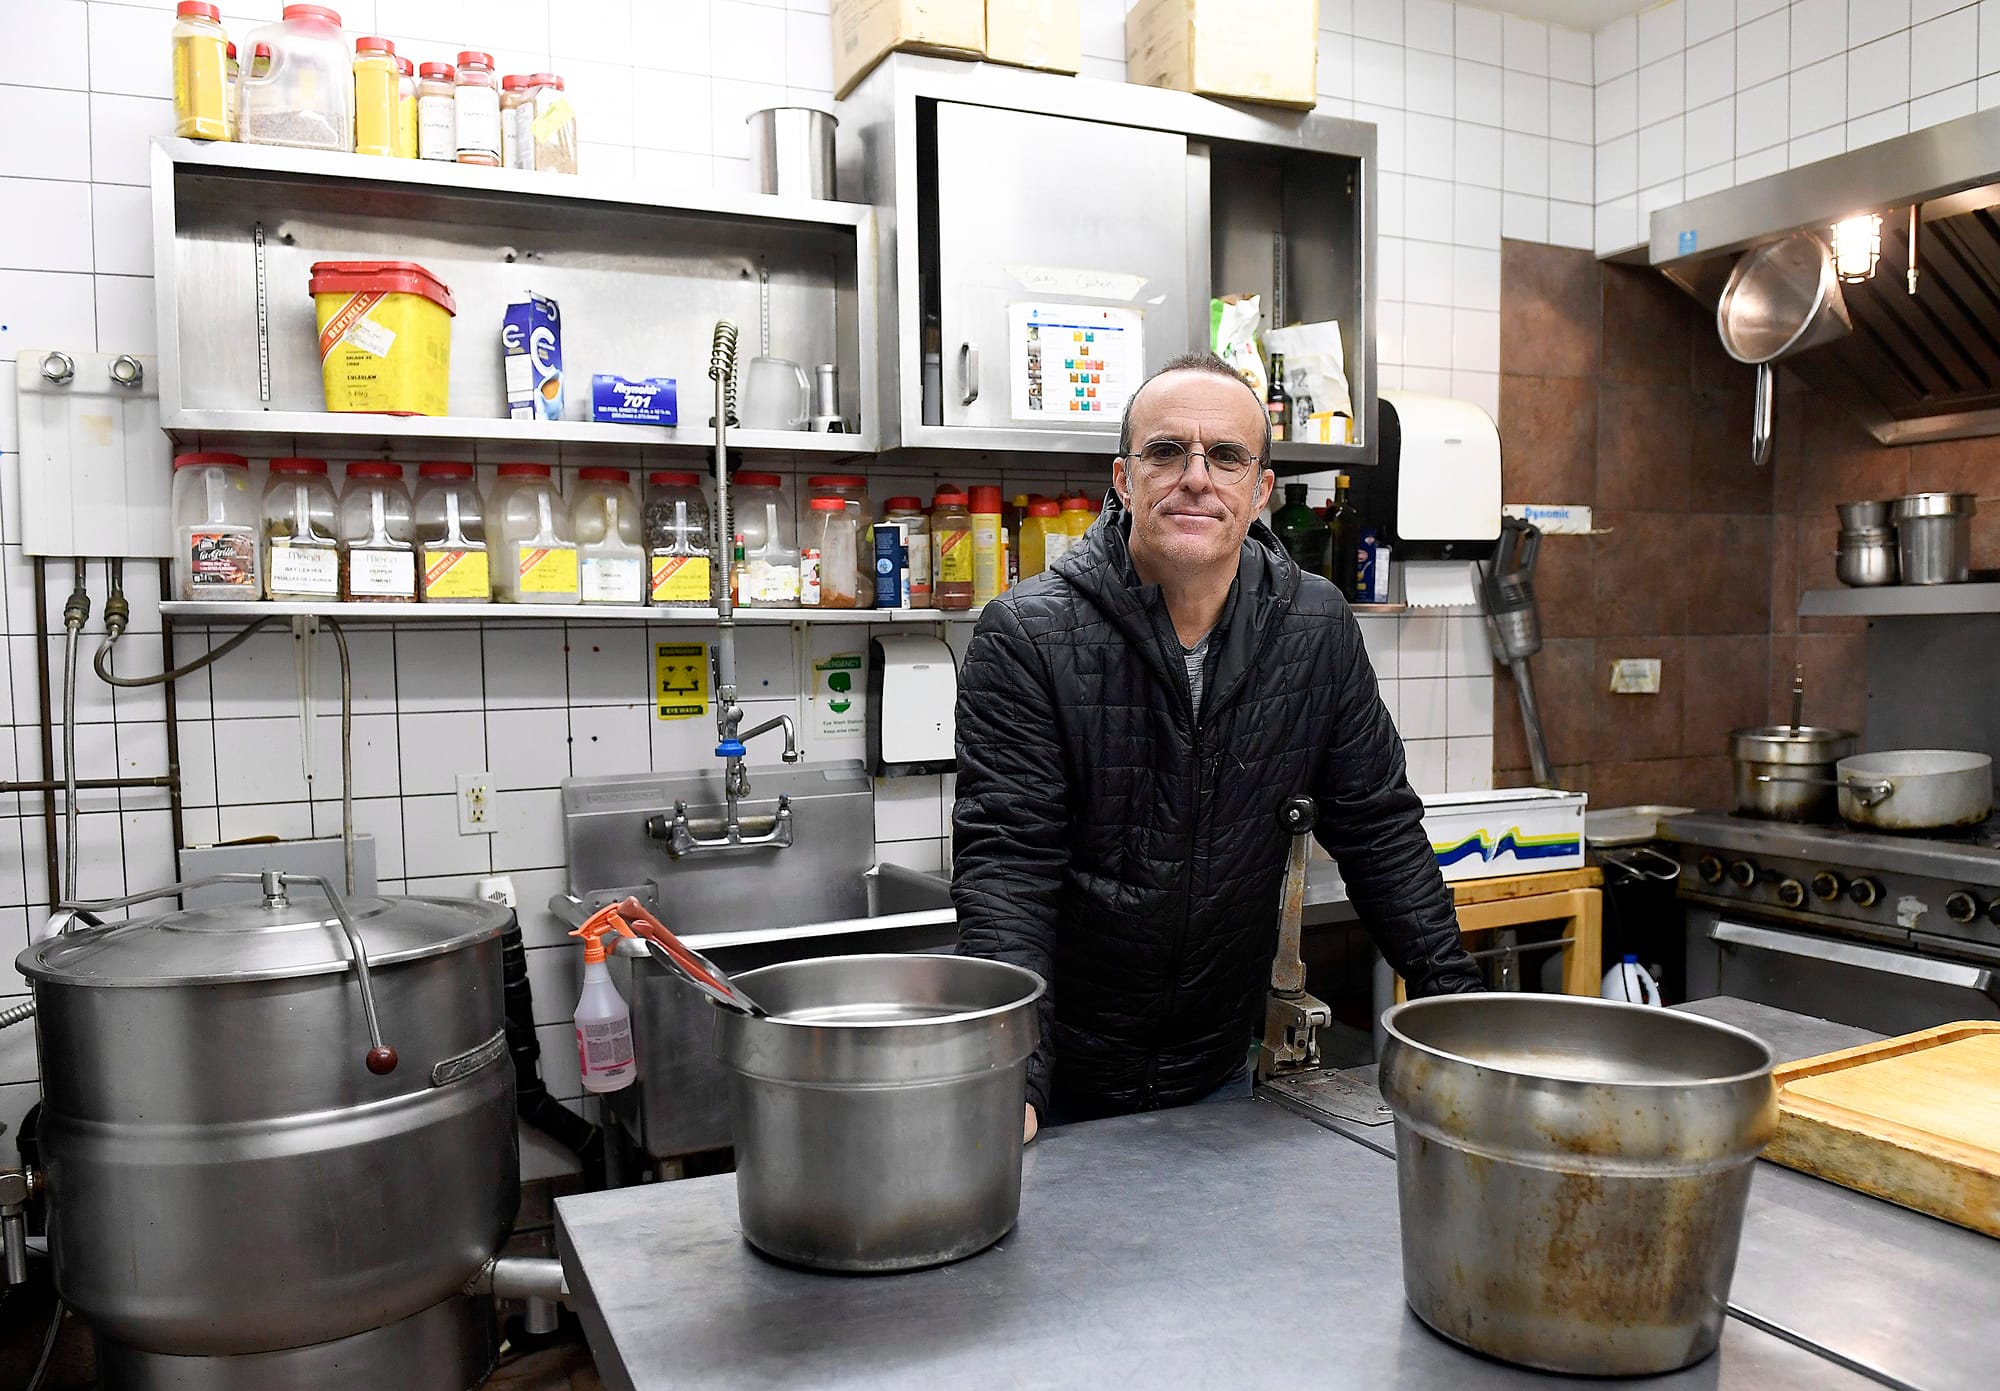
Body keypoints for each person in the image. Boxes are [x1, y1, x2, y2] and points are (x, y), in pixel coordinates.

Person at [952, 351, 1482, 1142]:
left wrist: (1465, 1024)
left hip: (1217, 1076)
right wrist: (1010, 1076)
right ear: (1124, 480)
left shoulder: (1315, 627)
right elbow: (1008, 870)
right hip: (1058, 1086)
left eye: (1227, 455)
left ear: (1259, 490)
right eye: (1166, 452)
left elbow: (1379, 832)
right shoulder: (1028, 636)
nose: (1196, 476)